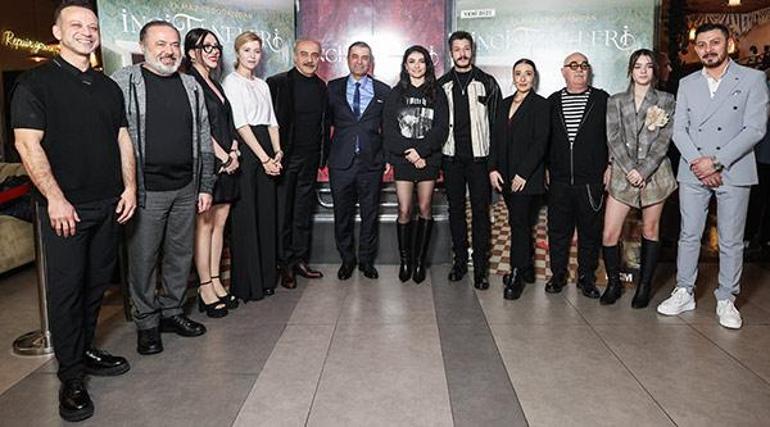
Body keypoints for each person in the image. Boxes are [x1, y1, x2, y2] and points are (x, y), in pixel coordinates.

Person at [11, 1, 135, 421]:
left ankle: (84, 349)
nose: (86, 31)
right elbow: (27, 144)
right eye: (76, 24)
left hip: (109, 203)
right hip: (65, 208)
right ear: (57, 32)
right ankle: (71, 377)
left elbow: (122, 138)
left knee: (96, 286)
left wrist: (130, 187)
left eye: (92, 25)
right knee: (66, 292)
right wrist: (55, 198)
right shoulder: (36, 82)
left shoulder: (108, 87)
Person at [657, 23, 769, 329]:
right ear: (696, 49)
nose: (708, 49)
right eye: (702, 45)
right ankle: (684, 290)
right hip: (694, 169)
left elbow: (755, 129)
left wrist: (717, 163)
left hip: (733, 167)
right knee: (689, 234)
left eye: (715, 42)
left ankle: (726, 298)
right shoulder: (688, 82)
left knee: (731, 240)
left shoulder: (753, 79)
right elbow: (679, 129)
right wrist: (699, 163)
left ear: (729, 44)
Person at [112, 20, 215, 354]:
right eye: (160, 44)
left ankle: (172, 312)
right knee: (143, 258)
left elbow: (203, 136)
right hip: (146, 190)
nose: (169, 51)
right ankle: (147, 323)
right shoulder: (124, 81)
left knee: (180, 254)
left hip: (186, 185)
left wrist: (205, 185)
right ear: (143, 47)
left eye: (173, 44)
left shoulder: (190, 85)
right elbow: (112, 134)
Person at [601, 48, 677, 308]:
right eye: (637, 66)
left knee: (650, 229)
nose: (643, 71)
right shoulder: (616, 100)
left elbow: (664, 141)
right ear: (630, 71)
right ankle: (613, 284)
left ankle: (644, 287)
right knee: (609, 233)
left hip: (655, 174)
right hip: (623, 172)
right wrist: (630, 169)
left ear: (654, 70)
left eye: (648, 66)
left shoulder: (666, 100)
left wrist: (643, 171)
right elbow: (613, 137)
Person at [182, 28, 241, 317]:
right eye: (207, 47)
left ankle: (216, 281)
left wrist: (234, 150)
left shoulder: (214, 82)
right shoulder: (190, 82)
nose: (214, 51)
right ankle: (205, 288)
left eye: (216, 46)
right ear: (191, 53)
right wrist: (223, 156)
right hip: (209, 163)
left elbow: (226, 122)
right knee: (204, 225)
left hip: (228, 161)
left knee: (220, 224)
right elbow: (198, 127)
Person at [437, 31, 501, 290]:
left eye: (466, 48)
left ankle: (481, 268)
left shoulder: (487, 82)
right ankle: (460, 262)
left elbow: (497, 126)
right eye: (457, 49)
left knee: (480, 212)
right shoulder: (442, 85)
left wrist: (494, 163)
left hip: (479, 159)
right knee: (455, 211)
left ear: (472, 51)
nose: (462, 53)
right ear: (451, 52)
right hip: (451, 158)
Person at [223, 31, 283, 300]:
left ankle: (267, 278)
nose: (252, 56)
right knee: (247, 216)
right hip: (248, 152)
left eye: (257, 51)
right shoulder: (231, 82)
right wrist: (264, 158)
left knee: (266, 214)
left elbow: (272, 121)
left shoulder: (262, 84)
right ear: (237, 53)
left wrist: (277, 152)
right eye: (247, 50)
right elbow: (241, 124)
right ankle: (249, 285)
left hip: (267, 148)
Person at [544, 52, 609, 299]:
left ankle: (586, 278)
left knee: (590, 233)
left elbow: (613, 137)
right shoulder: (552, 101)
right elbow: (544, 140)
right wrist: (545, 168)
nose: (579, 69)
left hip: (591, 181)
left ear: (589, 70)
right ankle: (558, 275)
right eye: (573, 65)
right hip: (559, 180)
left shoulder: (602, 100)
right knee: (557, 231)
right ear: (564, 72)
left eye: (583, 65)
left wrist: (610, 165)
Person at [325, 41, 391, 280]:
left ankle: (366, 261)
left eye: (365, 57)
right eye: (355, 56)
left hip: (371, 163)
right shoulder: (332, 88)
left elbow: (389, 128)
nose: (360, 61)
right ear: (348, 59)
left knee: (369, 214)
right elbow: (324, 124)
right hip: (341, 162)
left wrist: (387, 158)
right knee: (342, 215)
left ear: (370, 61)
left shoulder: (383, 90)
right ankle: (347, 260)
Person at [384, 45, 449, 284]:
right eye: (412, 61)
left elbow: (441, 128)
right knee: (404, 210)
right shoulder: (396, 93)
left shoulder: (437, 93)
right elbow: (389, 130)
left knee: (424, 207)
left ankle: (420, 261)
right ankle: (406, 261)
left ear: (427, 65)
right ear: (405, 65)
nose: (417, 65)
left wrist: (421, 152)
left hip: (427, 159)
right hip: (404, 159)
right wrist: (410, 153)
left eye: (421, 61)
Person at [267, 39, 327, 288]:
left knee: (303, 212)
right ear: (294, 56)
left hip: (310, 159)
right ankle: (285, 265)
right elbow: (267, 123)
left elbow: (323, 124)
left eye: (314, 55)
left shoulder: (322, 87)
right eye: (304, 54)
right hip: (286, 159)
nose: (309, 59)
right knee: (284, 214)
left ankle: (300, 259)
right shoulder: (277, 83)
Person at [489, 59, 549, 300]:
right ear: (513, 77)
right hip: (504, 176)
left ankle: (515, 273)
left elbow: (541, 142)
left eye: (528, 73)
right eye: (518, 73)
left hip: (527, 178)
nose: (523, 78)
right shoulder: (503, 104)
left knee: (519, 224)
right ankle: (526, 268)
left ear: (534, 78)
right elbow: (495, 139)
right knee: (519, 222)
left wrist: (523, 173)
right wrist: (492, 168)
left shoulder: (541, 105)